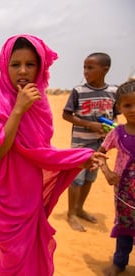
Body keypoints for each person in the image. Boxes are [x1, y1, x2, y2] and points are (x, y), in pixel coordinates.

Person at [0, 34, 106, 275]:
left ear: (40, 67)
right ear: (4, 66)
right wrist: (18, 108)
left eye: (31, 64)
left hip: (30, 190)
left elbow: (41, 153)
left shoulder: (40, 103)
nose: (23, 71)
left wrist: (81, 157)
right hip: (7, 196)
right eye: (15, 64)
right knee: (13, 255)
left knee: (33, 252)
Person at [63, 52, 119, 232]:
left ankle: (80, 208)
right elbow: (66, 115)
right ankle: (71, 213)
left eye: (90, 67)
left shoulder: (113, 92)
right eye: (84, 67)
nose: (86, 71)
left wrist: (110, 130)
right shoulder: (78, 91)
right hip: (80, 143)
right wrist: (89, 124)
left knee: (90, 178)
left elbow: (115, 115)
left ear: (105, 69)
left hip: (100, 145)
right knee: (76, 179)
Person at [98, 80, 135, 276]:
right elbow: (99, 154)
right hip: (125, 198)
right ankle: (119, 263)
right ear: (119, 107)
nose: (133, 110)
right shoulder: (116, 134)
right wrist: (106, 171)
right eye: (127, 105)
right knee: (125, 231)